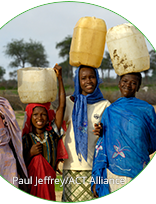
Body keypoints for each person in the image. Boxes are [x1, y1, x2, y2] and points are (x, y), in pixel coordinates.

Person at [92, 72, 156, 198]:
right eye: (125, 81)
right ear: (119, 84)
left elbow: (152, 143)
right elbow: (103, 142)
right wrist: (98, 179)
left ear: (138, 87)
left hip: (139, 170)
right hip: (113, 172)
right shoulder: (110, 111)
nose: (128, 85)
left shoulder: (147, 110)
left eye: (133, 83)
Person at [62, 65, 111, 202]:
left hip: (95, 167)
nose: (88, 81)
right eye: (83, 78)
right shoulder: (69, 102)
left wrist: (103, 131)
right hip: (71, 166)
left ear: (97, 79)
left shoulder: (105, 105)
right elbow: (57, 125)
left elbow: (112, 135)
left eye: (92, 77)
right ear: (78, 81)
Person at [22, 64, 68, 201]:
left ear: (48, 117)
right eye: (35, 115)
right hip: (31, 185)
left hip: (48, 183)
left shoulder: (53, 133)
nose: (39, 118)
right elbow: (20, 162)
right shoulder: (27, 139)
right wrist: (30, 153)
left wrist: (60, 79)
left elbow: (62, 106)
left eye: (43, 114)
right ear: (31, 117)